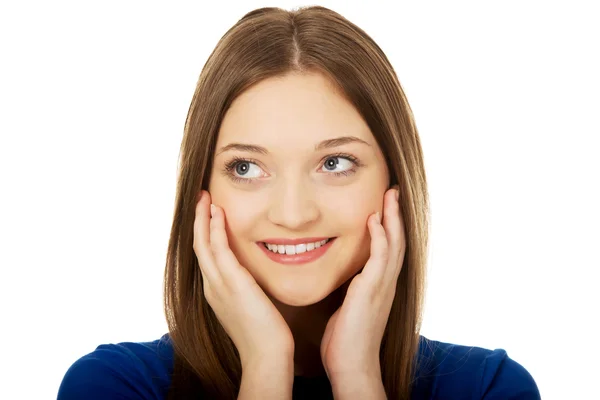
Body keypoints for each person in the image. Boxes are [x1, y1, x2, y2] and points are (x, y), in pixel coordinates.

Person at [57, 5, 540, 400]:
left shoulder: (488, 389)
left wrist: (358, 377)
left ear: (395, 181)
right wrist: (266, 366)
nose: (292, 214)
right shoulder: (111, 386)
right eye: (246, 167)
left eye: (335, 163)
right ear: (200, 191)